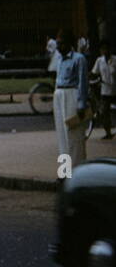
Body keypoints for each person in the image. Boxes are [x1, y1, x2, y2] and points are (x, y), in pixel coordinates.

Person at [52, 30, 88, 167]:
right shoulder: (59, 59)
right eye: (57, 44)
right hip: (60, 94)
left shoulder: (79, 59)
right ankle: (65, 171)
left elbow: (82, 83)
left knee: (74, 136)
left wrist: (81, 104)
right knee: (62, 137)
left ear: (68, 44)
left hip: (71, 95)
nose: (58, 47)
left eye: (60, 44)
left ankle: (78, 170)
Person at [90, 41, 115, 140]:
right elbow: (94, 72)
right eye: (103, 49)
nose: (105, 51)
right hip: (105, 90)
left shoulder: (115, 60)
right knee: (105, 111)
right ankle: (108, 132)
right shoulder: (99, 61)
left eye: (106, 48)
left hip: (115, 88)